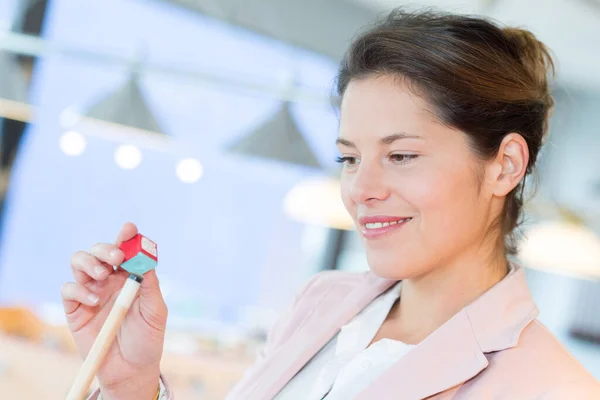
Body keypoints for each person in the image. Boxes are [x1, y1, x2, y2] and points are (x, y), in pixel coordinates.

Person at [61, 8, 600, 400]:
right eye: (349, 159)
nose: (361, 190)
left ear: (504, 164)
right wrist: (132, 384)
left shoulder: (549, 388)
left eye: (402, 155)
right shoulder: (323, 303)